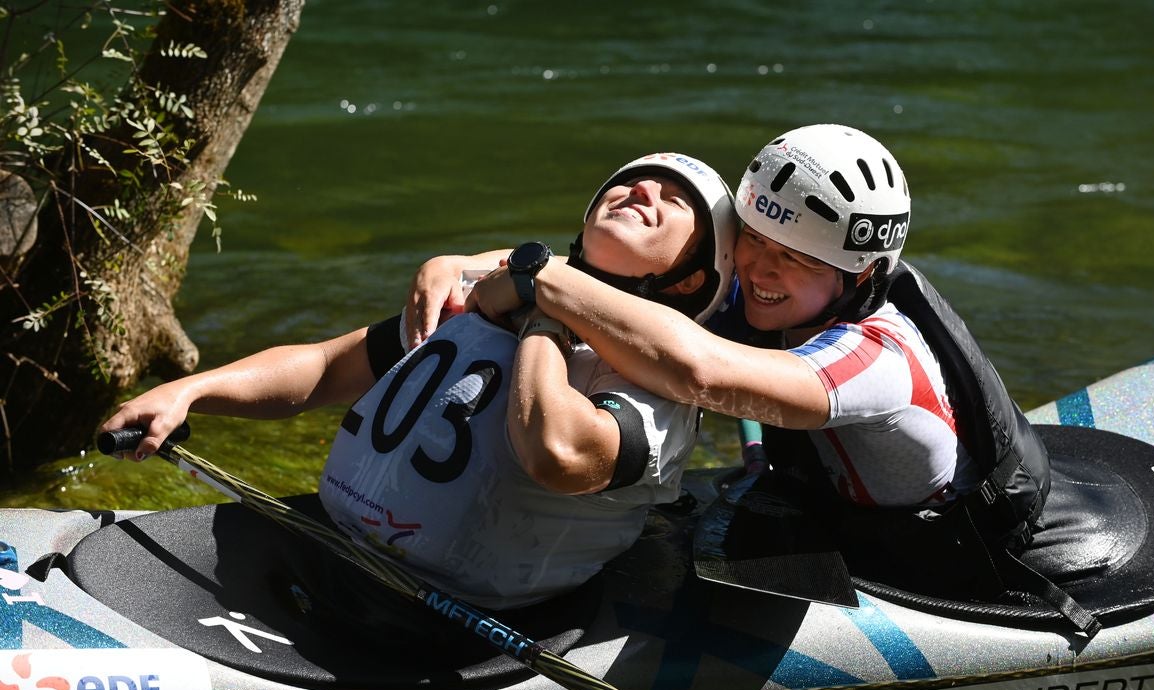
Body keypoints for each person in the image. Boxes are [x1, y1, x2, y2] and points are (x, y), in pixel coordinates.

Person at [409, 125, 1096, 634]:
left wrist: (535, 285)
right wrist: (470, 262)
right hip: (827, 506)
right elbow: (612, 277)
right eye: (754, 245)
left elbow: (700, 373)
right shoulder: (777, 293)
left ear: (858, 273)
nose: (762, 273)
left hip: (939, 548)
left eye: (793, 259)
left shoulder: (877, 359)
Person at [100, 152, 738, 611]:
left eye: (672, 198)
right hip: (336, 547)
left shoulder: (660, 377)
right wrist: (190, 391)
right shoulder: (487, 297)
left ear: (689, 279)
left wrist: (547, 316)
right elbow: (326, 369)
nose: (641, 192)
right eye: (629, 182)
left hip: (463, 616)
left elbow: (561, 454)